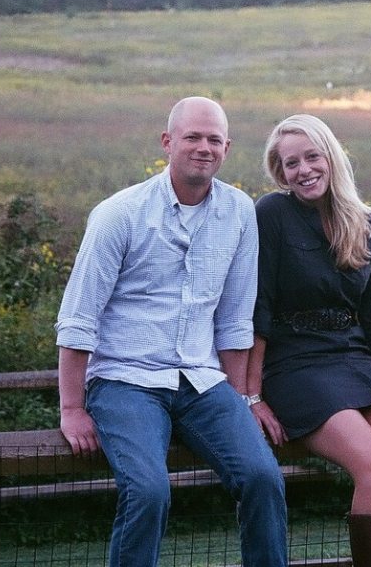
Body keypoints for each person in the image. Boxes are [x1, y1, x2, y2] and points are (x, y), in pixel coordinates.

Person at [55, 96, 288, 567]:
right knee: (149, 489)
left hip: (202, 382)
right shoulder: (119, 214)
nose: (204, 147)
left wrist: (242, 399)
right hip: (126, 380)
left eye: (214, 140)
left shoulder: (240, 213)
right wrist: (72, 407)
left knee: (263, 477)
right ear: (167, 142)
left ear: (227, 148)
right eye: (192, 137)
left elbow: (234, 319)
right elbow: (79, 315)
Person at [246, 113, 371, 567]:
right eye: (290, 163)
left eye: (311, 157)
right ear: (281, 173)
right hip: (294, 364)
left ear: (331, 157)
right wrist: (252, 395)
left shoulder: (367, 223)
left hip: (355, 358)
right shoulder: (272, 215)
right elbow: (256, 311)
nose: (303, 170)